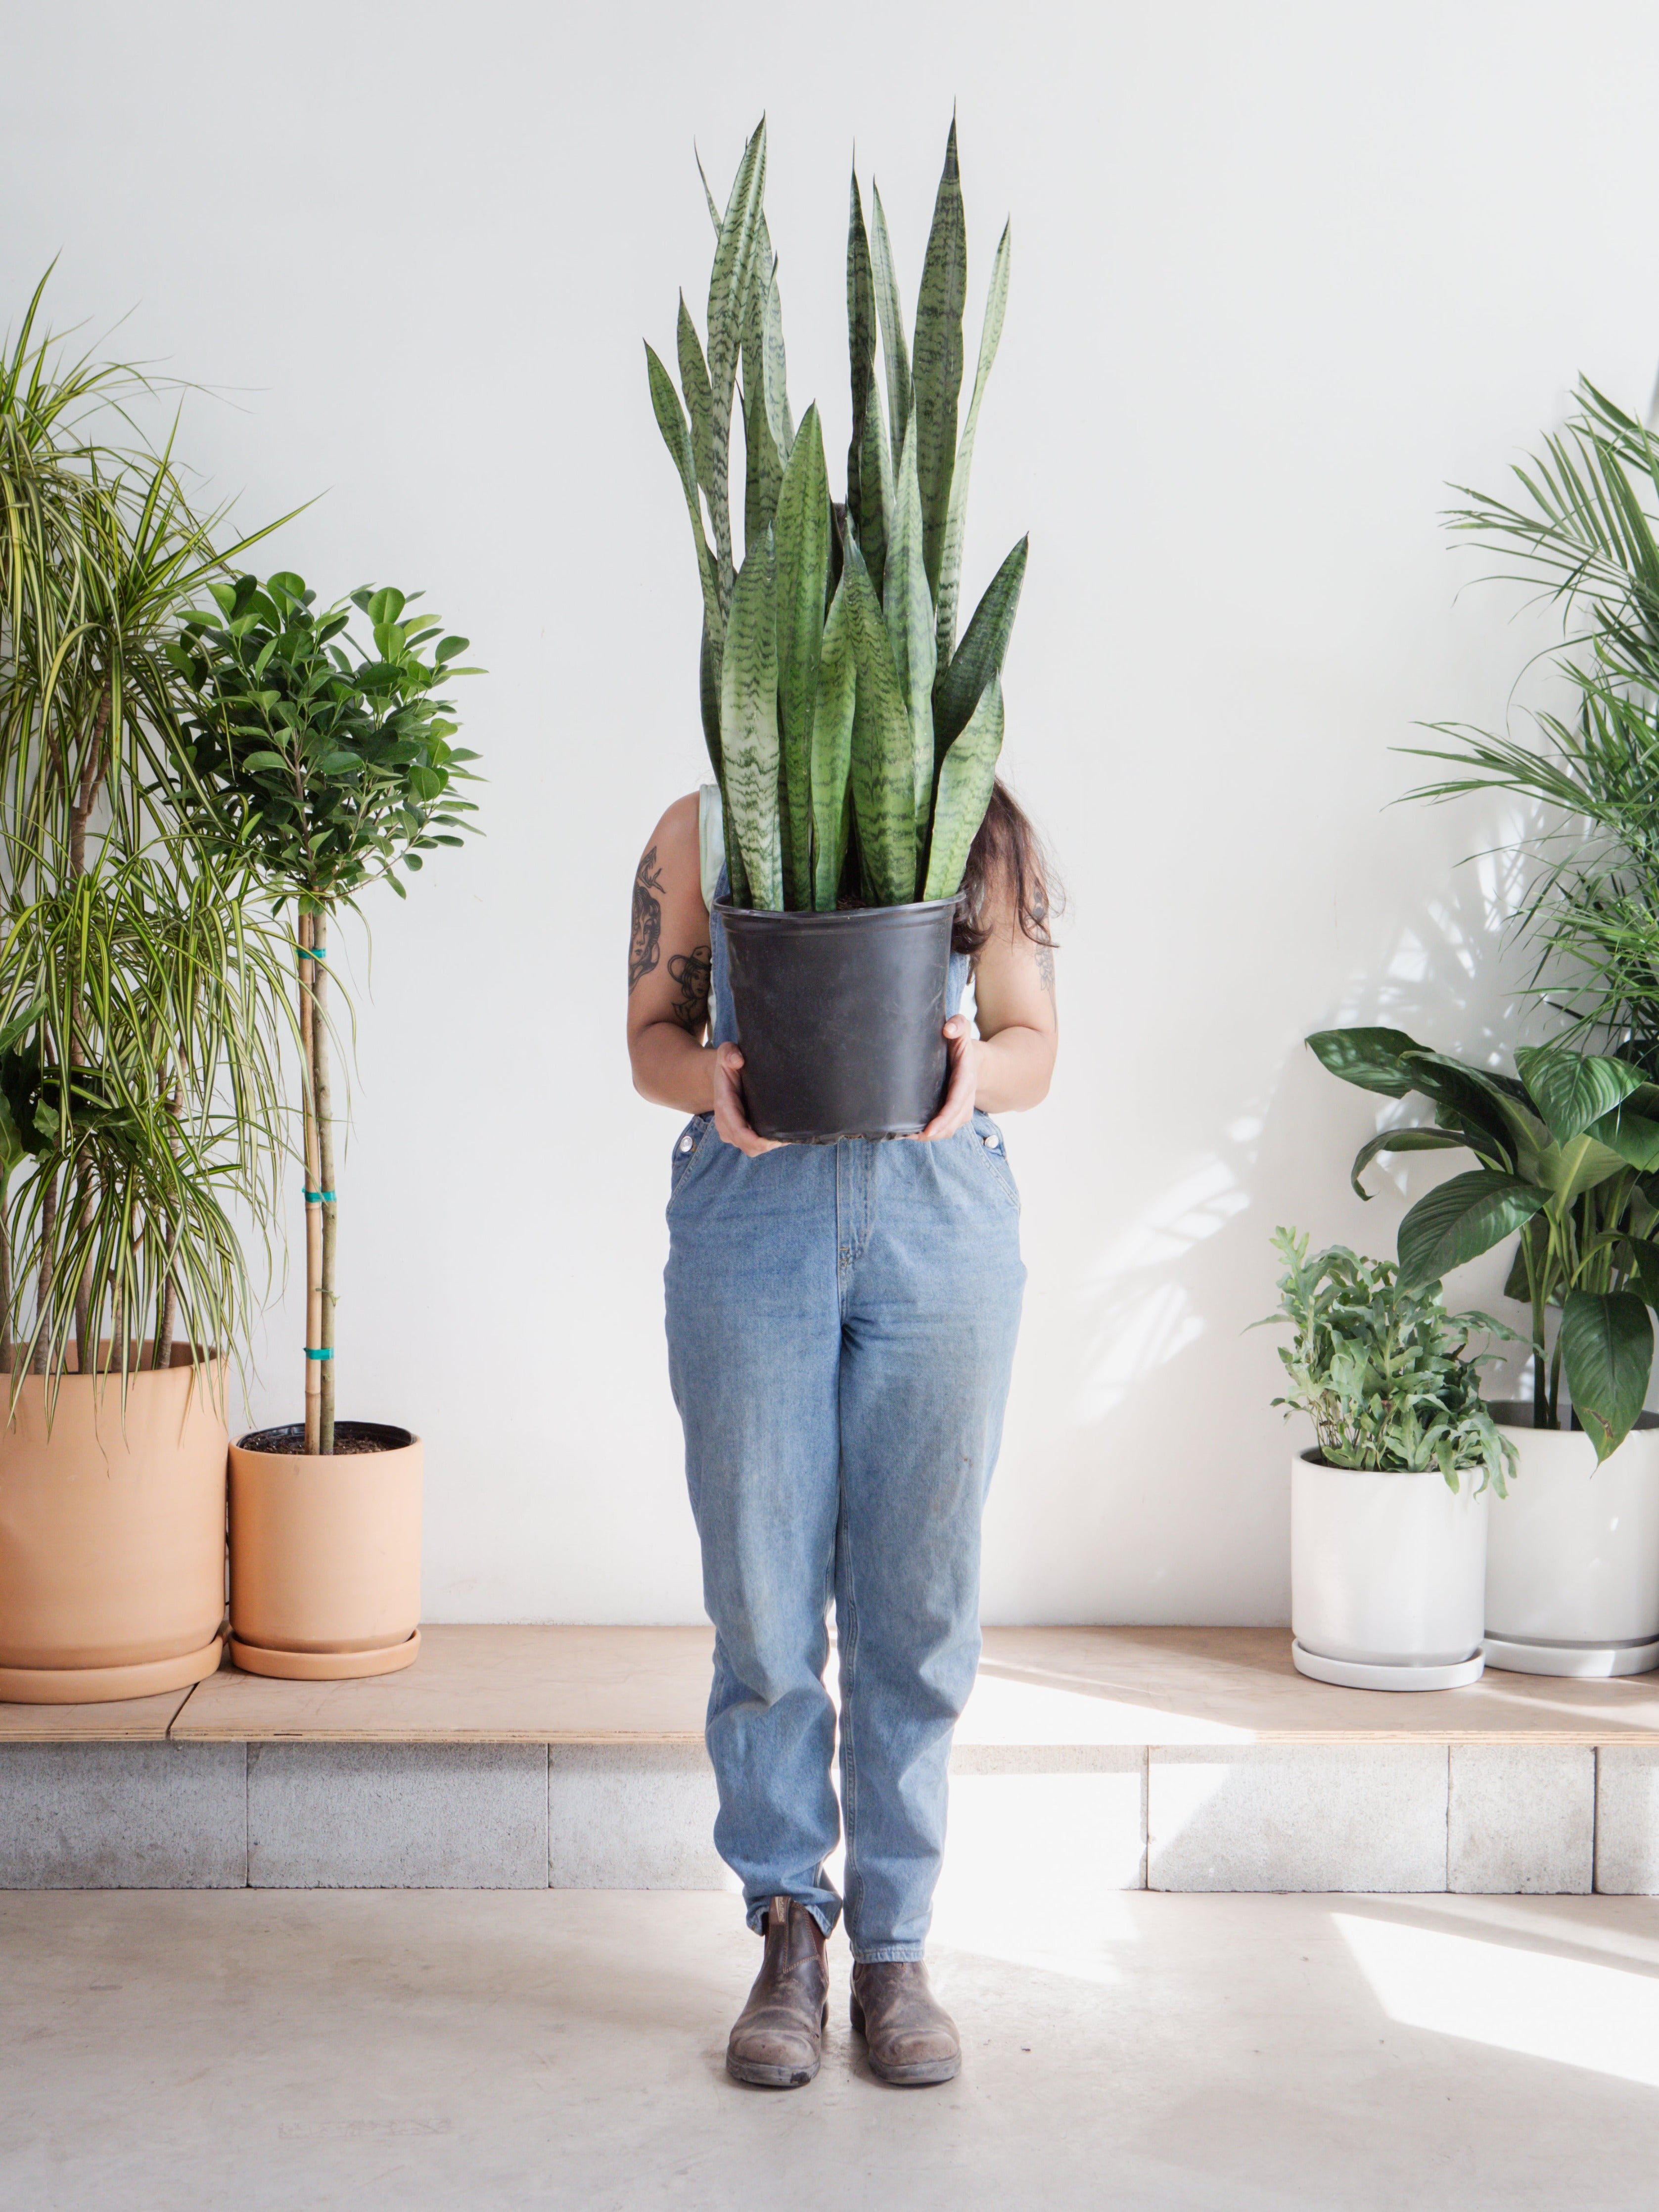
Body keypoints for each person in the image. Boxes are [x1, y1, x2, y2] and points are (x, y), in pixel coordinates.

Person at [626, 777, 1058, 2090]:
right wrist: (714, 1076)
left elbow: (1034, 1044)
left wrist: (976, 1066)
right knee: (760, 1603)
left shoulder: (978, 824)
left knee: (916, 1606)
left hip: (940, 1220)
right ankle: (788, 1933)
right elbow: (649, 1040)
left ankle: (896, 1952)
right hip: (752, 1212)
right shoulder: (701, 826)